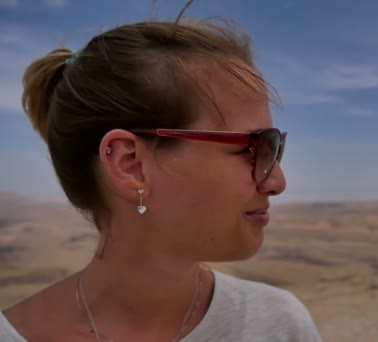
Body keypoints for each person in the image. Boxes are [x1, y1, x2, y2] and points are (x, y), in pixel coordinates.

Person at [0, 1, 322, 341]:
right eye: (253, 147)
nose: (277, 181)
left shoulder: (278, 326)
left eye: (274, 148)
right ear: (130, 165)